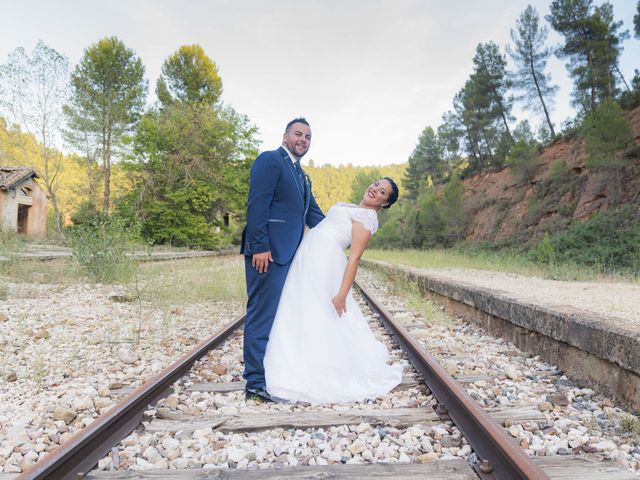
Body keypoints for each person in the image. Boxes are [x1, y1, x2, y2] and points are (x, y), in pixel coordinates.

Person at [264, 177, 402, 404]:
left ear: (384, 204)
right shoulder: (353, 208)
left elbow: (355, 258)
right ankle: (297, 359)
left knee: (318, 312)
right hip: (309, 256)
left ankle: (315, 369)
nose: (375, 190)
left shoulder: (366, 218)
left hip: (324, 262)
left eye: (382, 193)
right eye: (377, 185)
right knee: (301, 307)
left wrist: (342, 295)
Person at [241, 118, 325, 403]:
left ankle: (272, 376)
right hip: (269, 254)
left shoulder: (301, 175)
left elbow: (314, 216)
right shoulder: (270, 161)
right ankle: (254, 383)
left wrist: (352, 228)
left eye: (308, 136)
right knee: (262, 314)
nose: (303, 139)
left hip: (291, 256)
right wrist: (259, 247)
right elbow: (257, 205)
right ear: (285, 136)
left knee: (280, 317)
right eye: (298, 134)